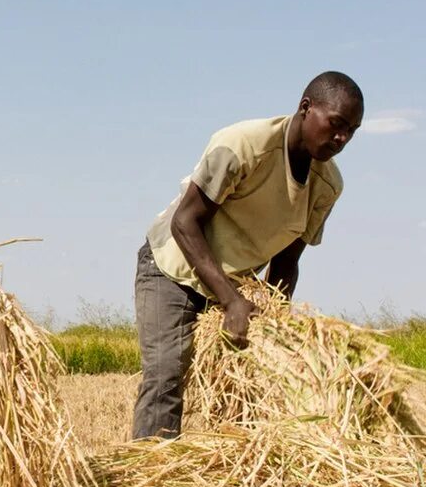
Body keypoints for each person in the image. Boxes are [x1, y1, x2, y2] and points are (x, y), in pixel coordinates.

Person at [131, 71, 364, 440]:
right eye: (336, 124)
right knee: (166, 375)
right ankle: (149, 482)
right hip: (173, 267)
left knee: (246, 386)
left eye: (351, 131)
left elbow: (287, 260)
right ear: (306, 108)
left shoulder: (328, 185)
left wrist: (275, 323)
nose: (341, 139)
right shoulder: (243, 145)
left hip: (234, 282)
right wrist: (231, 301)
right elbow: (185, 222)